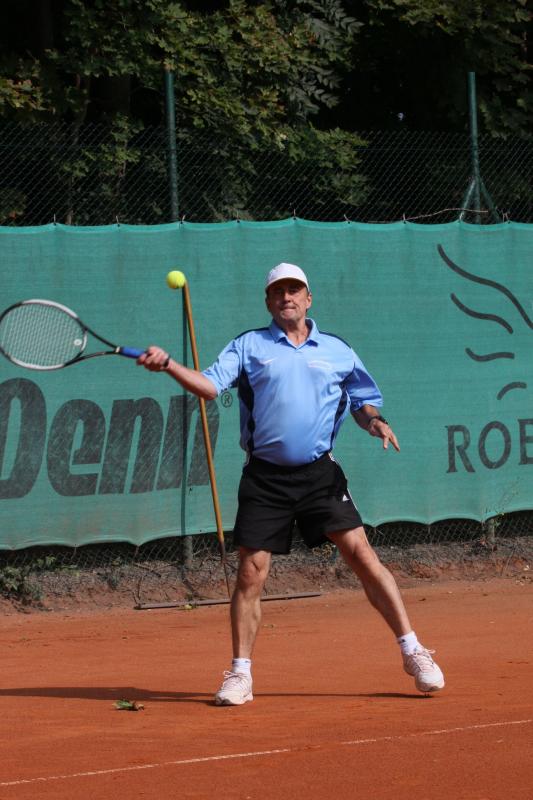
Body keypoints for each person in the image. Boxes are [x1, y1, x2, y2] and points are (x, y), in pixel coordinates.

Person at [138, 262, 445, 705]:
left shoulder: (338, 350)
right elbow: (208, 387)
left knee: (362, 555)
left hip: (320, 474)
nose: (287, 297)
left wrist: (376, 422)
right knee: (250, 573)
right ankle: (240, 674)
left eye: (294, 289)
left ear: (308, 298)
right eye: (278, 291)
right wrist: (169, 364)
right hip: (266, 478)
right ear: (268, 301)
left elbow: (362, 401)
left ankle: (413, 651)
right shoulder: (249, 346)